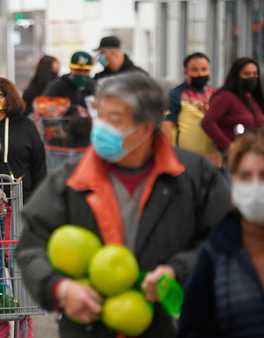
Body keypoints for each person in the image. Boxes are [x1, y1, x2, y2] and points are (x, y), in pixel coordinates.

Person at [15, 72, 230, 338]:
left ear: (146, 127)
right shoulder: (71, 179)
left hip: (171, 325)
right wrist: (60, 289)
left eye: (114, 119)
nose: (101, 127)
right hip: (87, 327)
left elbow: (226, 239)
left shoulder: (194, 177)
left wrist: (180, 271)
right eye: (100, 116)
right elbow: (31, 246)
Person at [0, 76, 46, 338]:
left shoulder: (26, 126)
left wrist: (38, 206)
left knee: (18, 263)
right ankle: (2, 322)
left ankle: (24, 321)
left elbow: (39, 166)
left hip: (21, 204)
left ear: (9, 97)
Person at [178, 128, 264, 337]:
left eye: (263, 175)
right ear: (233, 183)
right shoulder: (216, 254)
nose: (256, 185)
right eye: (245, 176)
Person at [162, 52, 221, 167]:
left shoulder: (215, 94)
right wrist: (169, 156)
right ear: (186, 72)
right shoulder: (175, 95)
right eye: (195, 70)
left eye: (204, 69)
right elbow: (166, 126)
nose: (200, 74)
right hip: (184, 160)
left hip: (211, 159)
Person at [202, 57, 264, 155]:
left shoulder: (251, 98)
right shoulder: (226, 97)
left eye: (255, 74)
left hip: (254, 153)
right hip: (233, 156)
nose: (252, 77)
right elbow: (207, 122)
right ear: (236, 76)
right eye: (247, 74)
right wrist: (229, 146)